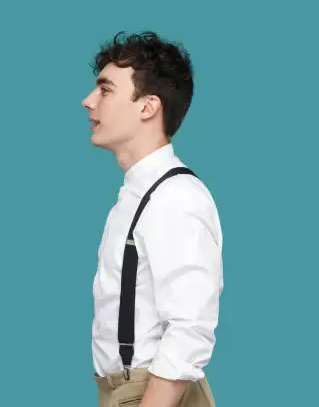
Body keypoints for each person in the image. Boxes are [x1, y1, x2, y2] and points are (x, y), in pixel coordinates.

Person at [82, 31, 224, 407]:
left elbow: (190, 327)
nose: (88, 101)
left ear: (147, 107)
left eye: (106, 90)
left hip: (149, 394)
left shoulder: (174, 197)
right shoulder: (136, 195)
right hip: (122, 391)